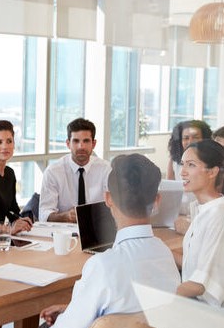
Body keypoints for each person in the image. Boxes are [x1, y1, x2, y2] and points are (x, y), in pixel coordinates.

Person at [40, 154, 181, 328]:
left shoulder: (102, 265)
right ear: (157, 201)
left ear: (108, 199)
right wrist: (72, 309)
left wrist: (70, 316)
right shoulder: (165, 255)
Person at [177, 139, 224, 307]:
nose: (182, 172)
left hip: (207, 314)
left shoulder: (218, 215)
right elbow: (198, 264)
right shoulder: (202, 209)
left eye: (190, 165)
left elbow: (200, 286)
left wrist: (164, 296)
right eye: (182, 164)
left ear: (212, 172)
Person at [38, 118, 111, 222]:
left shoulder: (106, 170)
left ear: (93, 144)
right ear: (68, 144)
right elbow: (44, 215)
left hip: (98, 229)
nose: (81, 146)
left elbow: (115, 207)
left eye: (86, 141)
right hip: (63, 232)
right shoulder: (53, 172)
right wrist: (65, 216)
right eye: (76, 141)